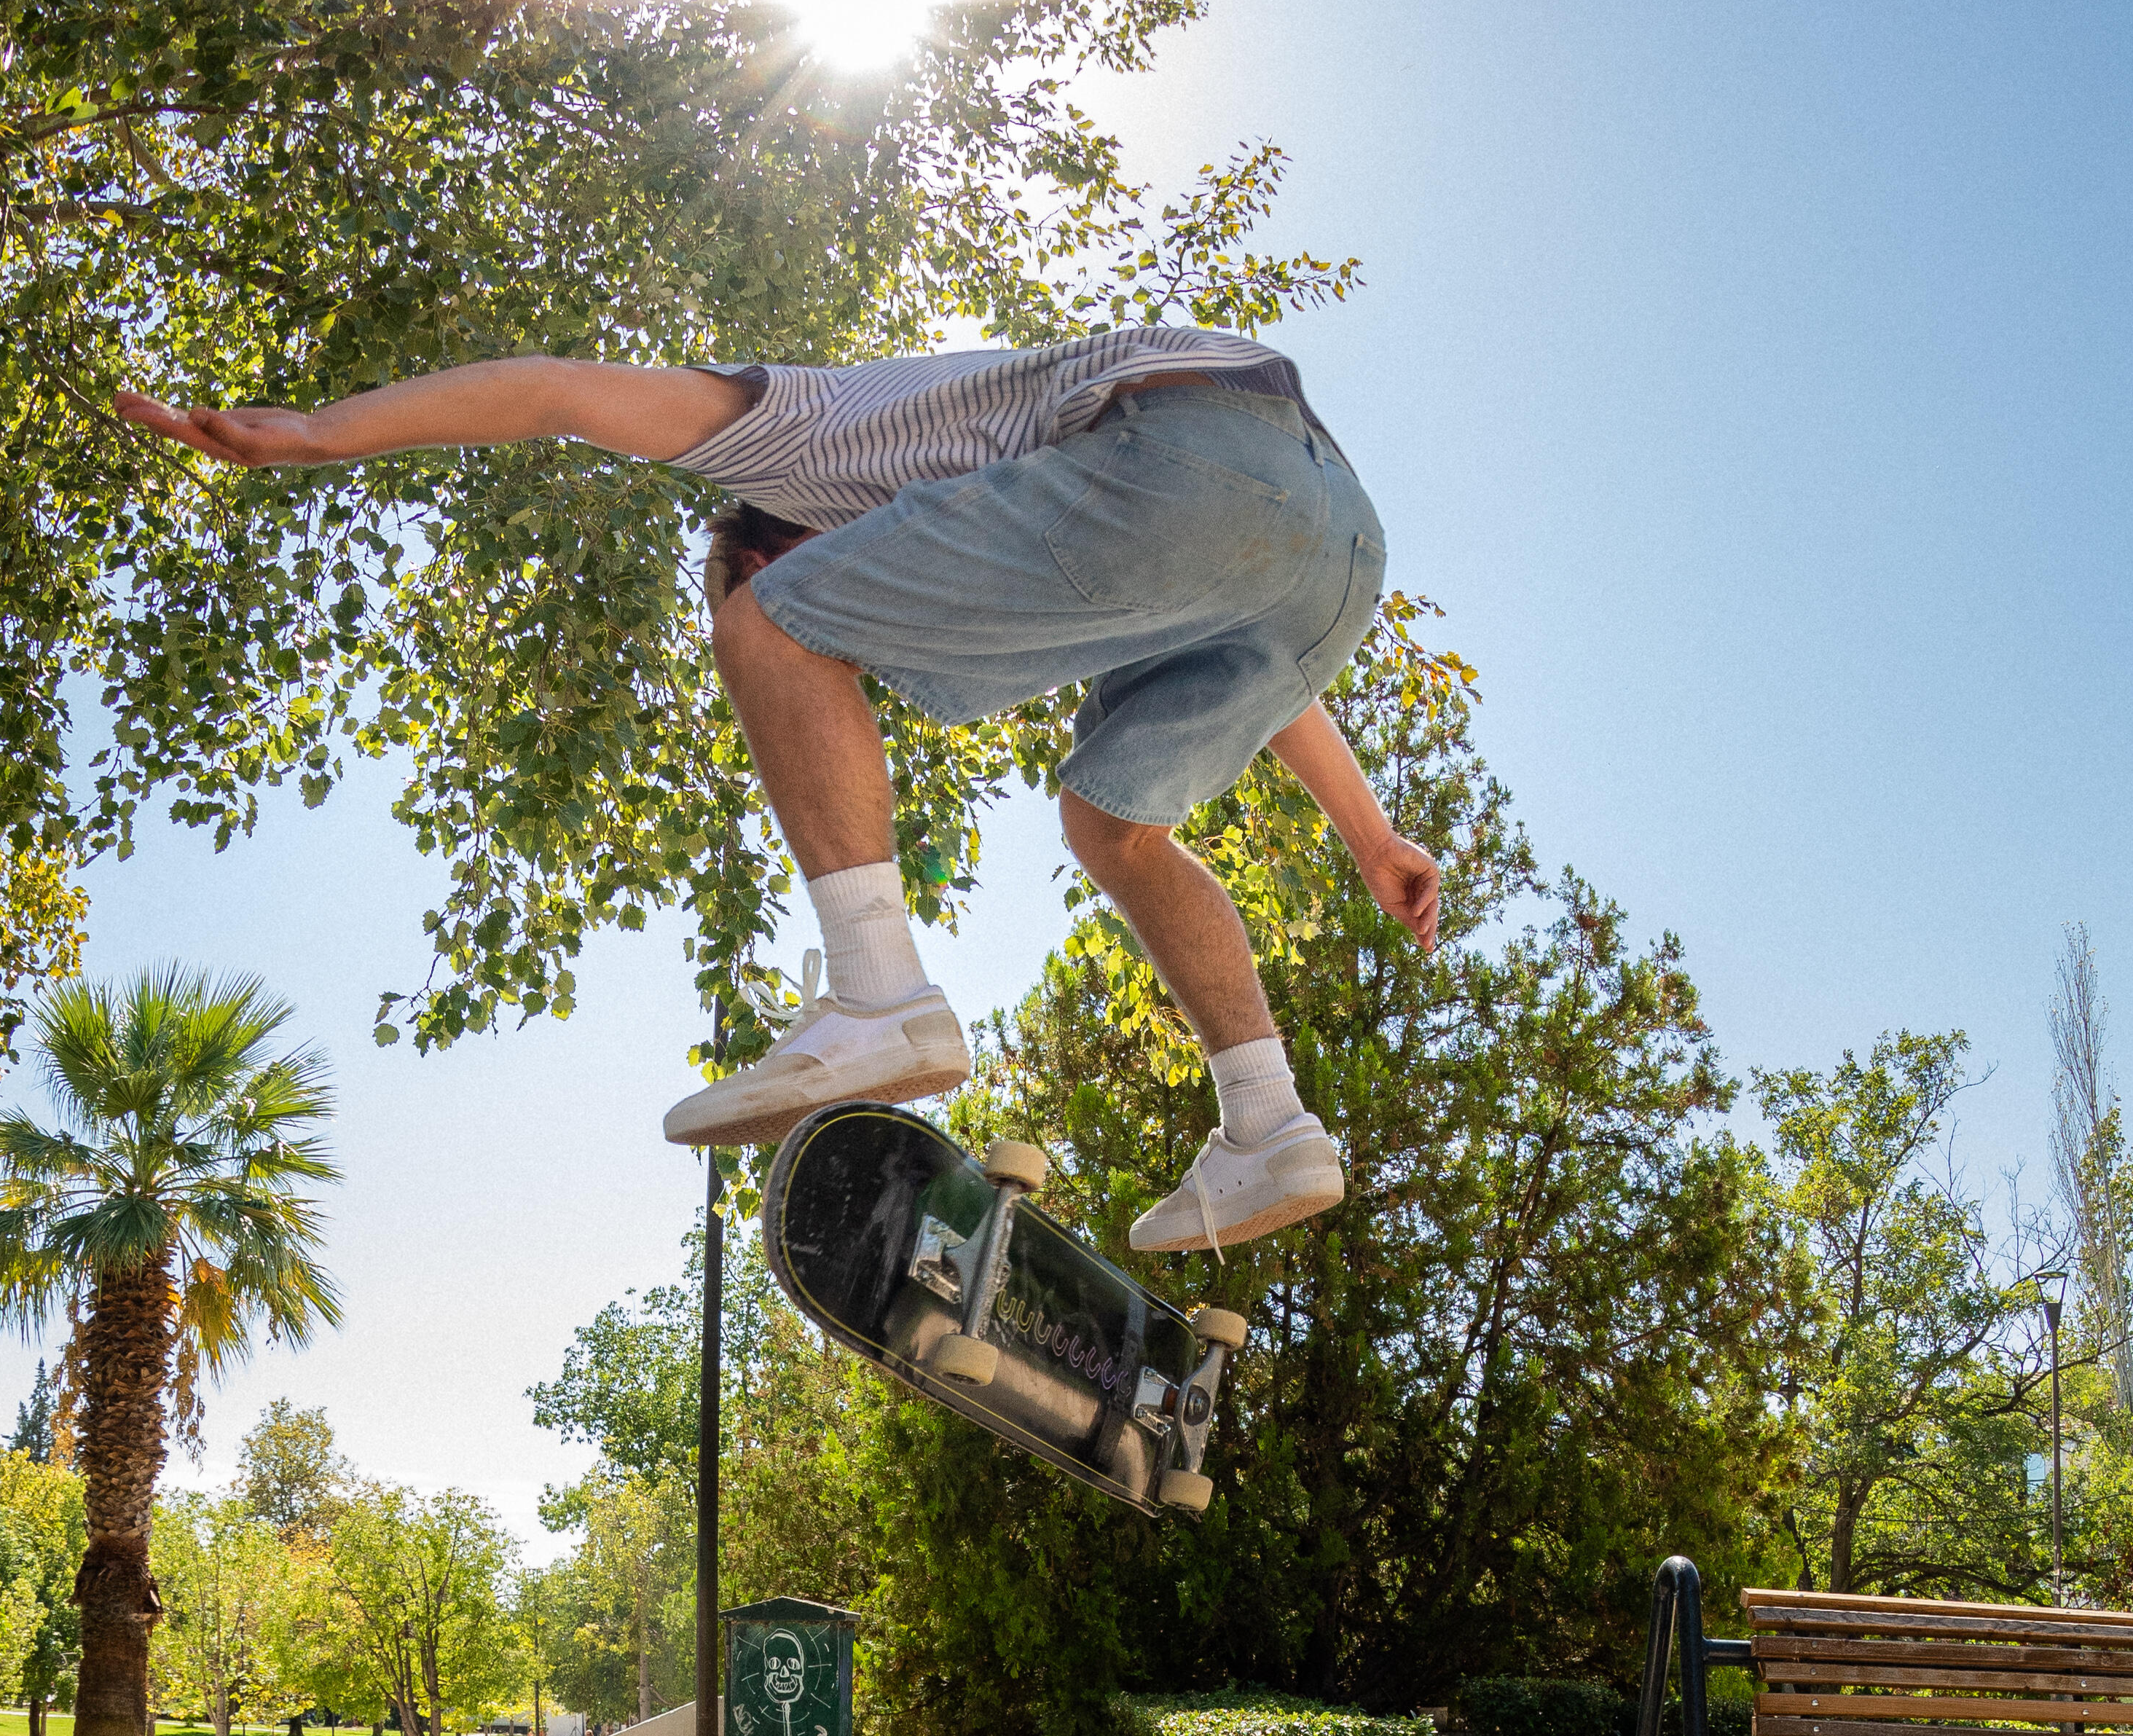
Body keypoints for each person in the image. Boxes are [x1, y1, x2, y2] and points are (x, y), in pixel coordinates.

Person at [117, 321, 1439, 1248]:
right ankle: (1271, 1124)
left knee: (774, 631)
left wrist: (321, 434)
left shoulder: (789, 439)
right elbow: (1246, 553)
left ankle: (878, 995)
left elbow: (563, 395)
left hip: (1186, 449)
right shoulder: (1045, 496)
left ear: (764, 542)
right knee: (1117, 825)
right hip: (1332, 540)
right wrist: (1370, 834)